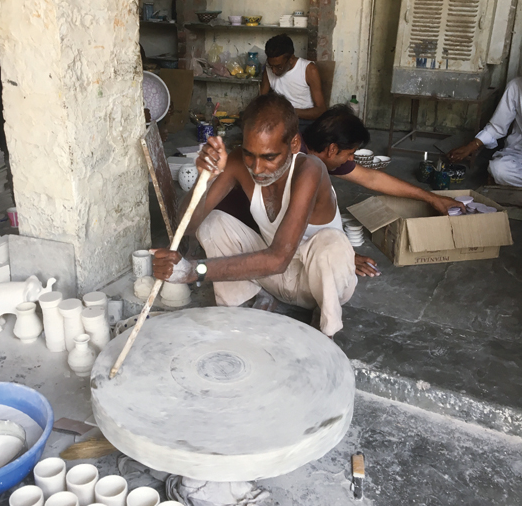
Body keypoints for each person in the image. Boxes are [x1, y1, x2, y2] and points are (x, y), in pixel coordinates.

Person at [152, 93, 357, 337]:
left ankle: (326, 331)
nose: (257, 168)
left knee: (331, 244)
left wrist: (194, 270)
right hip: (270, 277)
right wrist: (205, 178)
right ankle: (244, 304)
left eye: (269, 157)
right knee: (213, 223)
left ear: (293, 144)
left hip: (317, 283)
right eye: (250, 154)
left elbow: (279, 258)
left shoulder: (310, 170)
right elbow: (188, 225)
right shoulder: (239, 161)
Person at [302, 105, 463, 277]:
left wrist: (431, 198)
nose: (351, 159)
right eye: (350, 153)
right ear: (332, 149)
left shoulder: (321, 154)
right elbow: (290, 228)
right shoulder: (297, 165)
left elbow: (372, 178)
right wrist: (340, 254)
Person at [448, 76, 522, 187]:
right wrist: (471, 146)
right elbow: (497, 126)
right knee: (498, 169)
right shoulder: (515, 86)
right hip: (519, 153)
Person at [259, 34, 326, 132]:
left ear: (291, 59)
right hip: (280, 119)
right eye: (271, 66)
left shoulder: (308, 70)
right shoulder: (269, 68)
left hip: (304, 121)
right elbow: (261, 100)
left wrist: (288, 112)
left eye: (278, 67)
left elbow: (321, 110)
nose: (273, 71)